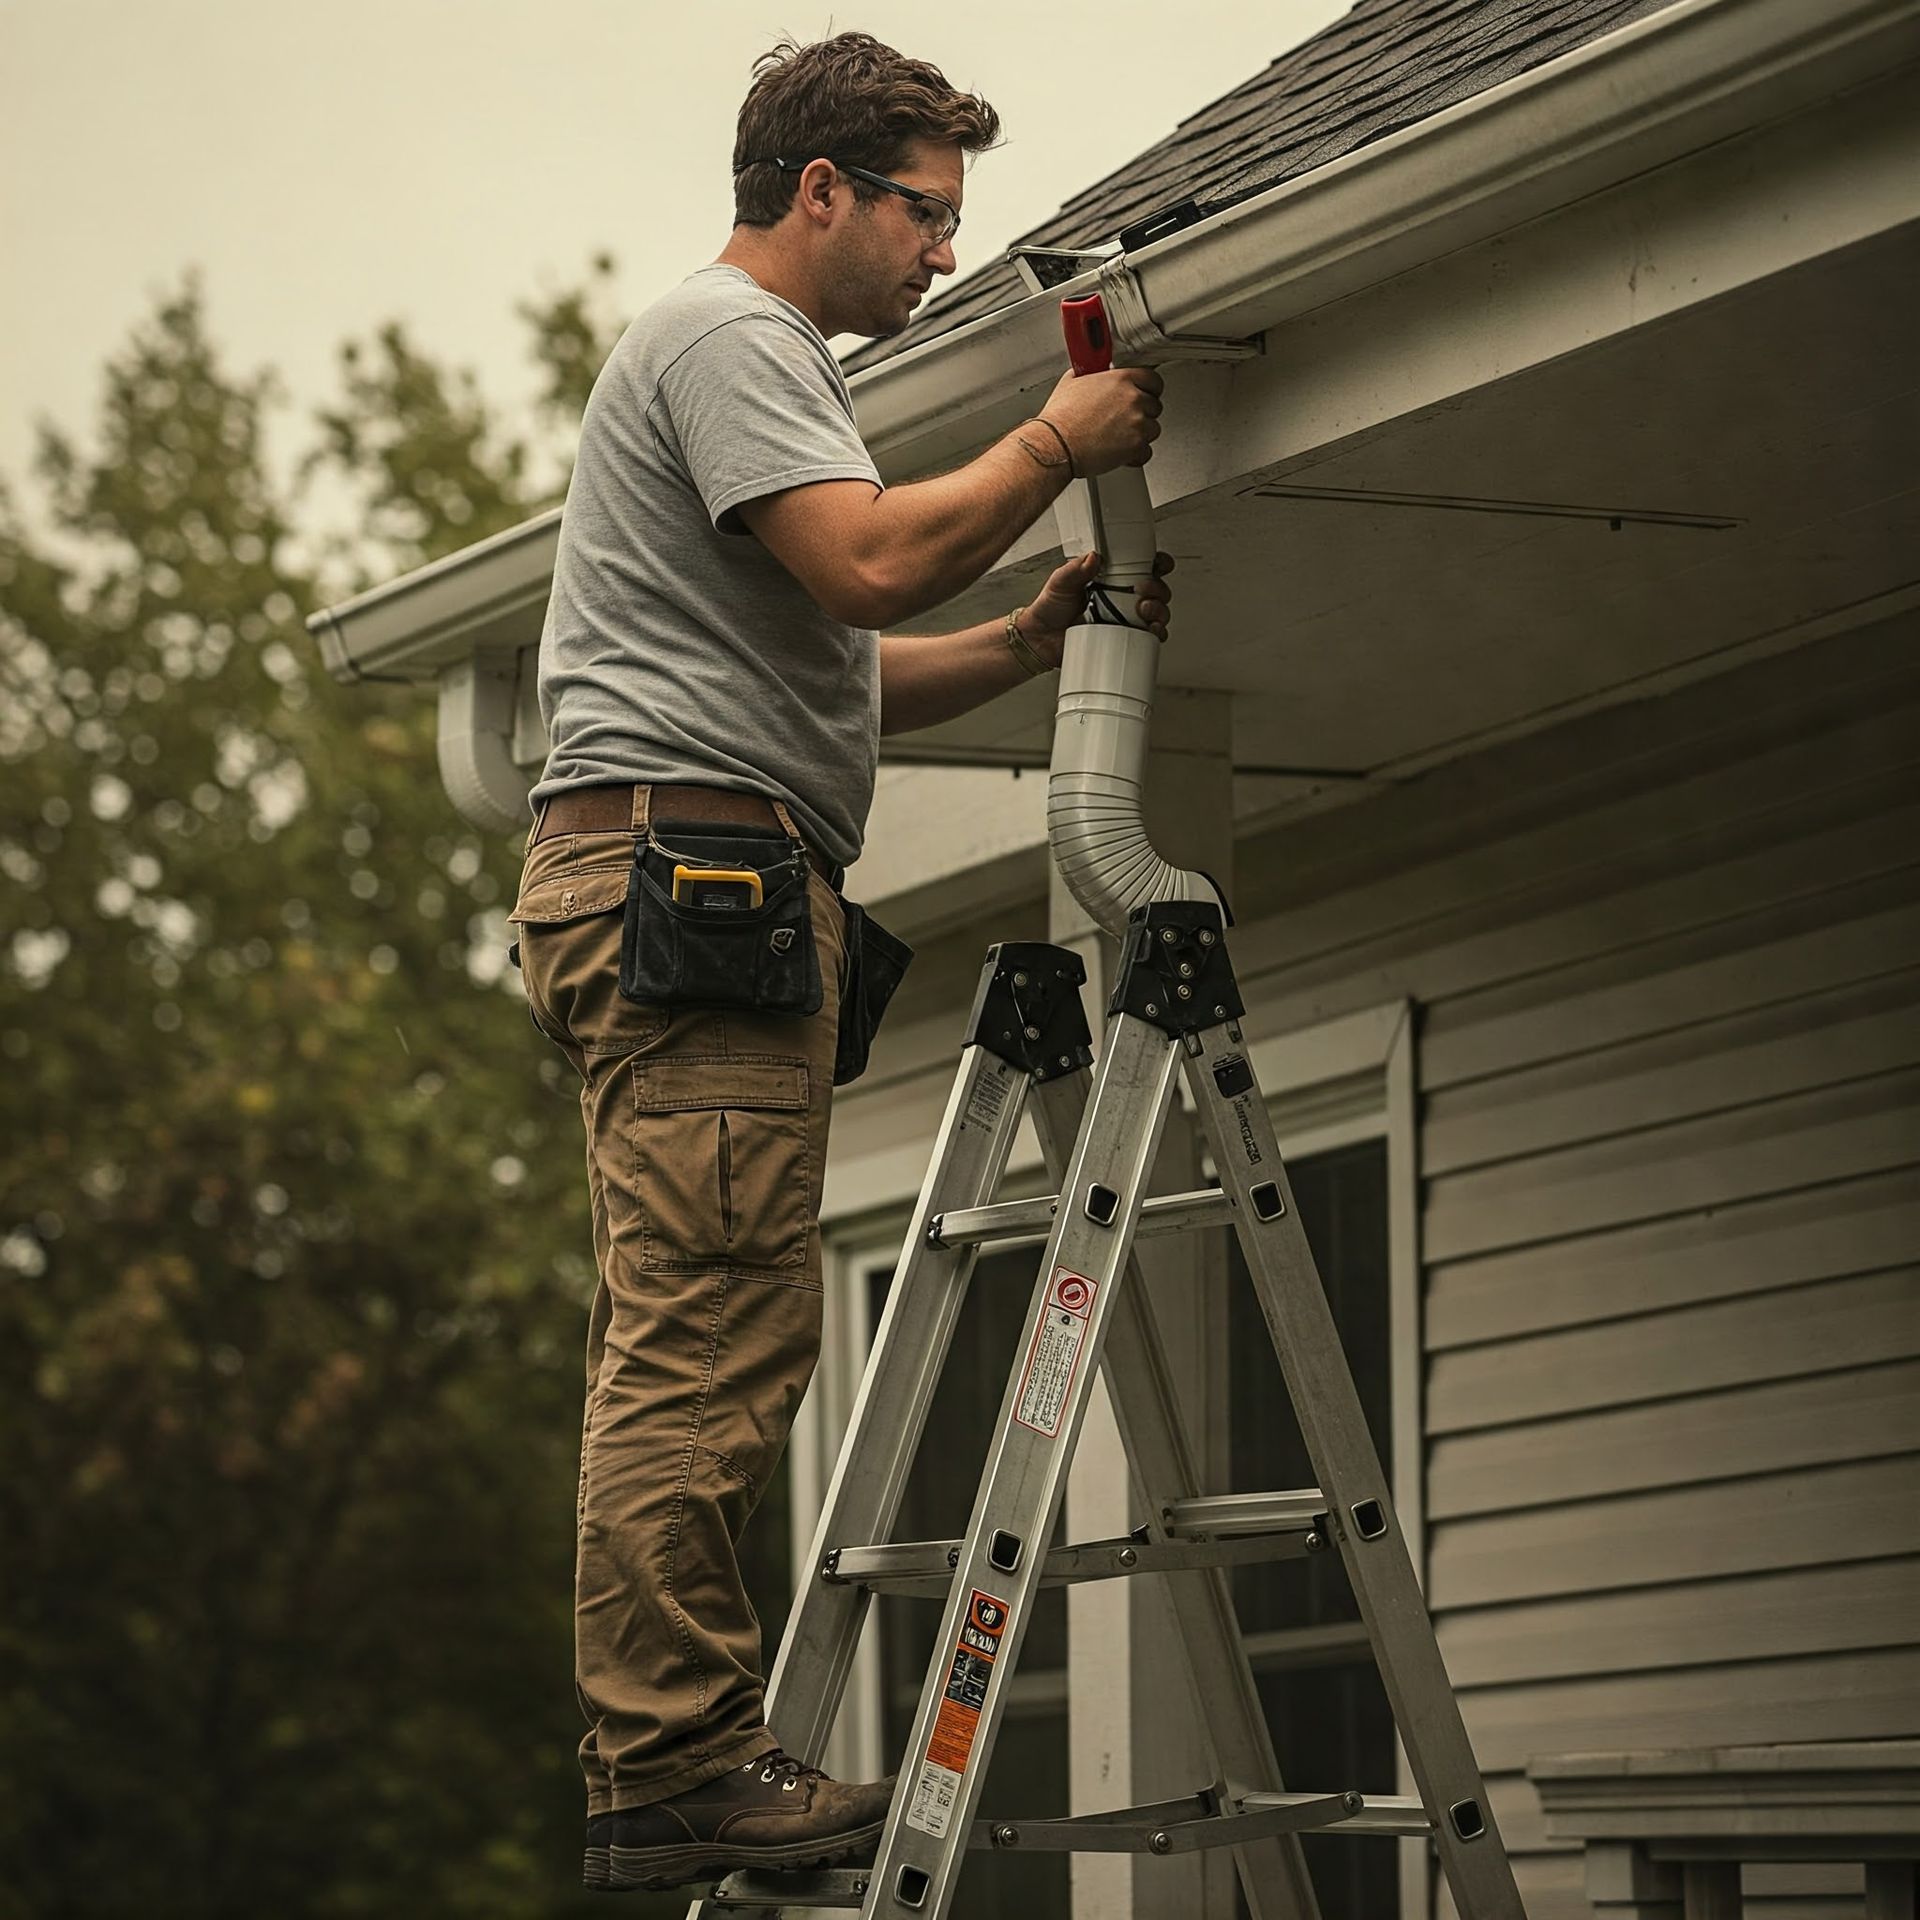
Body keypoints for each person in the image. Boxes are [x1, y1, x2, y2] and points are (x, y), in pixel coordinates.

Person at [507, 30, 1172, 1895]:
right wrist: (1057, 439)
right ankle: (670, 1770)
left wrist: (1027, 644)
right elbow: (874, 566)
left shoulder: (750, 371)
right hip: (688, 874)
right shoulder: (732, 343)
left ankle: (672, 1758)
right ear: (822, 191)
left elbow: (847, 664)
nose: (944, 257)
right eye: (926, 217)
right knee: (703, 1344)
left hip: (696, 857)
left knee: (715, 1327)